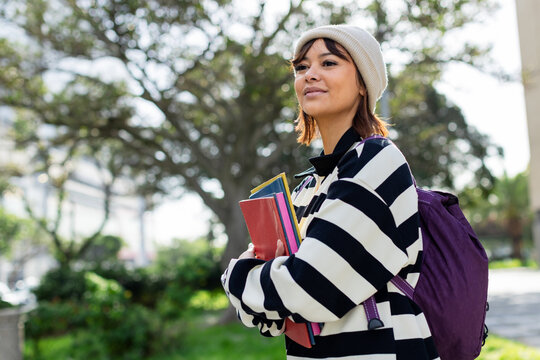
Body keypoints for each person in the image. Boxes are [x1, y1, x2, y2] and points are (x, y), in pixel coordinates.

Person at [221, 24, 439, 360]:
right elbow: (267, 319)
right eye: (302, 67)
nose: (310, 75)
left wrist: (238, 276)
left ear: (363, 84)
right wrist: (271, 292)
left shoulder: (376, 162)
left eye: (329, 63)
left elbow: (311, 290)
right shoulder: (307, 187)